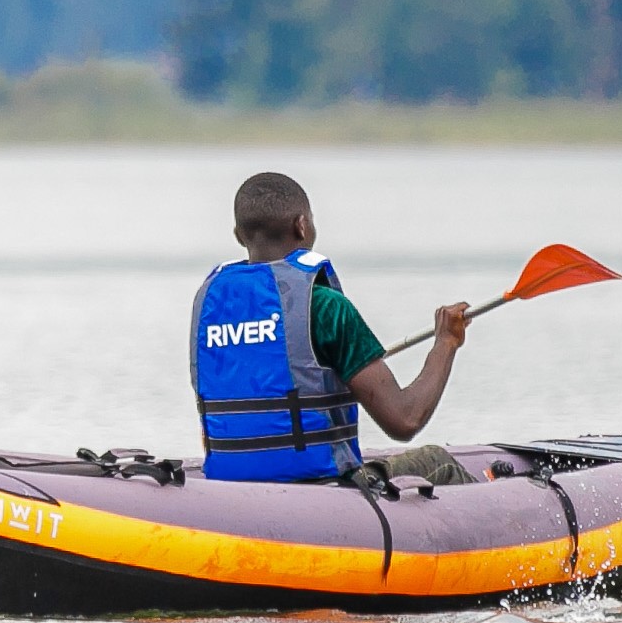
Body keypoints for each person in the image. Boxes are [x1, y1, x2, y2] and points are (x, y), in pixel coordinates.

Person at [188, 171, 474, 486]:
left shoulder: (210, 305)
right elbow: (404, 420)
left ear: (238, 235)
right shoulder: (324, 306)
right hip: (322, 491)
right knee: (436, 460)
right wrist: (445, 343)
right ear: (302, 225)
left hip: (230, 487)